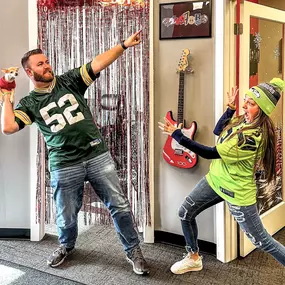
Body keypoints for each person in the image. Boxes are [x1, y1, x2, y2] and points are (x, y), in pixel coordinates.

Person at [0, 31, 149, 275]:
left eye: (47, 61)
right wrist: (7, 94)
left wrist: (123, 45)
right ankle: (66, 246)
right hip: (64, 164)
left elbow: (97, 62)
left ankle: (133, 250)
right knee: (66, 214)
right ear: (29, 72)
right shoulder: (29, 103)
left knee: (119, 205)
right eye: (41, 64)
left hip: (96, 155)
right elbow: (7, 127)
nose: (47, 66)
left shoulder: (69, 81)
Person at [158, 78, 285, 274]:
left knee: (262, 241)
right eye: (245, 100)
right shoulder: (244, 119)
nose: (245, 105)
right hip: (216, 180)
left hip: (237, 192)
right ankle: (193, 257)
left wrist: (178, 135)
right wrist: (230, 109)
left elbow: (210, 152)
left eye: (251, 103)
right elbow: (219, 131)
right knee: (185, 213)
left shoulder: (252, 138)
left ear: (262, 109)